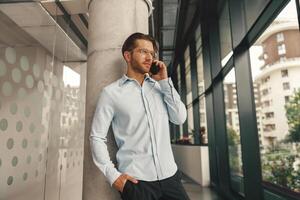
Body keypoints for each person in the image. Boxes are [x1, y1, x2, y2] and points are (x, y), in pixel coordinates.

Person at [90, 32, 189, 200]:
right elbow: (96, 137)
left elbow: (179, 118)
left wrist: (165, 82)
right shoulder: (111, 93)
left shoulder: (160, 89)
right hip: (137, 185)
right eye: (143, 52)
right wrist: (113, 177)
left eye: (152, 54)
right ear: (128, 56)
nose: (149, 57)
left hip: (171, 178)